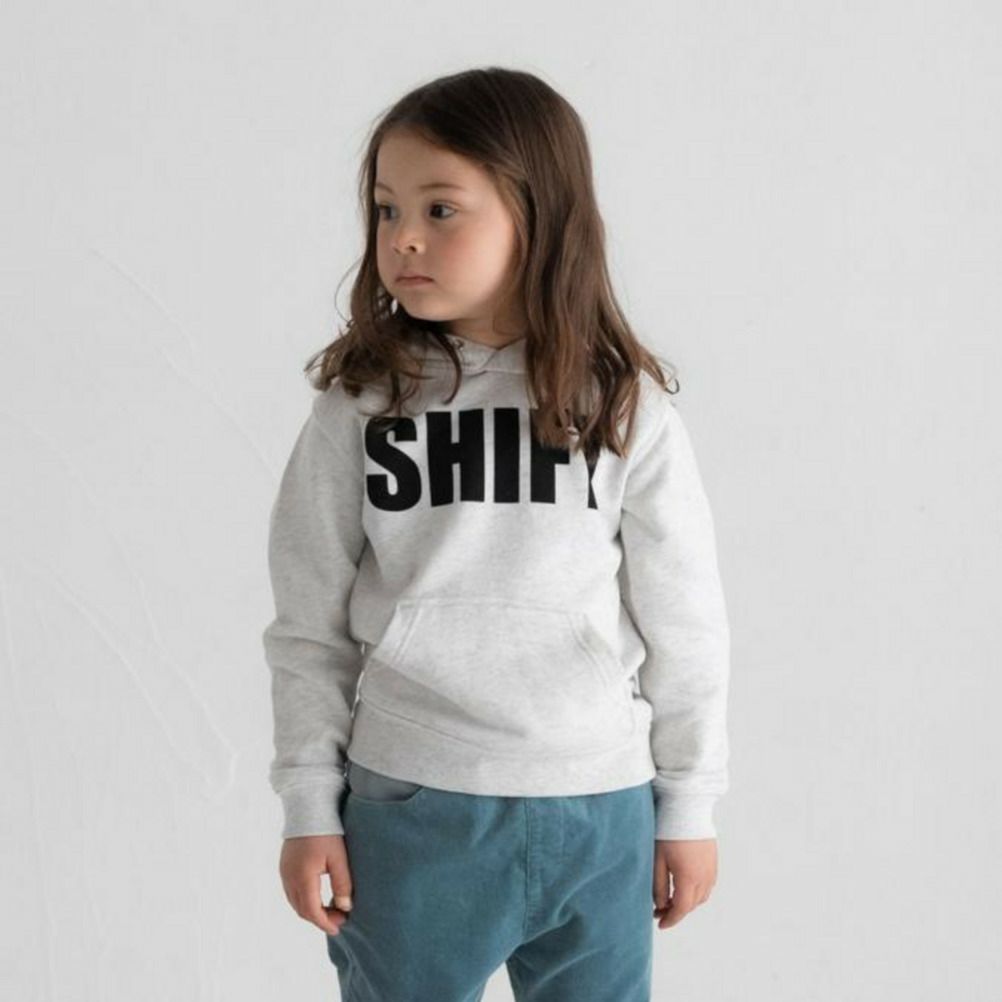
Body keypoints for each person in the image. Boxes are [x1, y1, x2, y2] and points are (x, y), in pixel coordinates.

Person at [262, 65, 731, 1002]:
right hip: (411, 806)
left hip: (600, 806)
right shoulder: (361, 406)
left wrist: (689, 804)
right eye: (387, 209)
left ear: (538, 215)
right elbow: (307, 625)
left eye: (441, 209)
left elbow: (685, 618)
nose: (403, 238)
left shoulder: (622, 407)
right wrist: (309, 803)